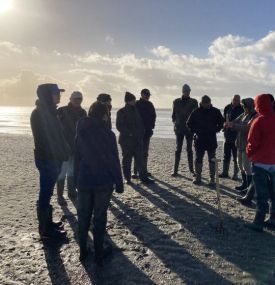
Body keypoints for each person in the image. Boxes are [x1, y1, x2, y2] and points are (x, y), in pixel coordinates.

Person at [75, 101, 124, 264]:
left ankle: (83, 251)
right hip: (103, 181)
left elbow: (76, 157)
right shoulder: (108, 134)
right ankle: (98, 252)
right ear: (104, 115)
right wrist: (119, 182)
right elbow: (113, 160)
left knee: (83, 217)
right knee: (99, 218)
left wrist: (76, 179)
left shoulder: (80, 130)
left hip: (84, 180)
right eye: (107, 114)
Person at [30, 83, 70, 241]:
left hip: (54, 159)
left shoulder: (51, 112)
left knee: (47, 192)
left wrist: (64, 151)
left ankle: (47, 224)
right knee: (45, 193)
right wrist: (58, 154)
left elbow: (58, 136)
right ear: (47, 95)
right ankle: (45, 230)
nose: (59, 96)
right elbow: (45, 140)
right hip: (48, 160)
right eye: (55, 93)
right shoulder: (39, 113)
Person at [245, 94, 275, 232]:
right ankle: (273, 219)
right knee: (273, 193)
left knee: (262, 194)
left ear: (258, 105)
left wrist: (250, 153)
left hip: (261, 162)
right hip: (273, 162)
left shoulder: (259, 121)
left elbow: (252, 142)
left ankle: (258, 223)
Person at [116, 92, 154, 184]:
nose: (134, 101)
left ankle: (143, 177)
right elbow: (119, 126)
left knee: (140, 159)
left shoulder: (136, 110)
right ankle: (127, 178)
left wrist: (142, 132)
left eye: (134, 100)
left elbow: (140, 123)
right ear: (128, 101)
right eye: (132, 100)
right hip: (126, 141)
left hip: (138, 140)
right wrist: (130, 134)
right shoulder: (121, 111)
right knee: (127, 160)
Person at [187, 95, 224, 186]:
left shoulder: (215, 111)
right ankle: (198, 177)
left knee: (212, 159)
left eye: (209, 103)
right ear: (202, 103)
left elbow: (221, 122)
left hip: (211, 139)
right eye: (206, 103)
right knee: (198, 158)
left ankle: (212, 178)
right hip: (199, 139)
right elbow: (189, 123)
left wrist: (216, 129)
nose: (208, 105)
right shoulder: (196, 111)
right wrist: (195, 131)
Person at [56, 91, 87, 202]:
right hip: (63, 147)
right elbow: (56, 128)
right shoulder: (61, 110)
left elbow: (85, 130)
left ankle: (72, 192)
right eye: (76, 98)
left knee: (72, 171)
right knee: (62, 172)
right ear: (70, 99)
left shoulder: (83, 112)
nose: (78, 100)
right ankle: (60, 195)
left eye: (80, 98)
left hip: (77, 146)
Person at [225, 99, 257, 192]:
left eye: (245, 106)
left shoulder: (254, 116)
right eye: (243, 106)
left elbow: (247, 128)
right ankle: (244, 183)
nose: (243, 108)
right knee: (240, 165)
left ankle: (249, 187)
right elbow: (235, 121)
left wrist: (233, 126)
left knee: (247, 166)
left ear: (250, 106)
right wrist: (229, 123)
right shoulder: (244, 114)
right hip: (239, 144)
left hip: (247, 145)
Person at [171, 84, 198, 177]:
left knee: (189, 149)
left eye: (189, 91)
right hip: (179, 129)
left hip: (189, 130)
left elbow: (196, 116)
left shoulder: (194, 102)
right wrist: (175, 123)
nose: (187, 93)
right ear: (183, 91)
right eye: (186, 91)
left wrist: (194, 128)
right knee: (178, 149)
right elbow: (173, 115)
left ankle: (192, 170)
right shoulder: (176, 101)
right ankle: (175, 170)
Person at [132, 88, 156, 178]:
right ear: (142, 94)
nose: (148, 96)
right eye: (146, 95)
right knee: (137, 152)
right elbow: (133, 117)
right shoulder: (136, 104)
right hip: (138, 132)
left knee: (145, 153)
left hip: (147, 132)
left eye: (149, 95)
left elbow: (154, 116)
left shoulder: (150, 104)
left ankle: (144, 170)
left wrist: (152, 126)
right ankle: (135, 171)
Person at [219, 95, 244, 180]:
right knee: (226, 155)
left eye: (237, 100)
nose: (235, 101)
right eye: (234, 99)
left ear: (239, 101)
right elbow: (223, 119)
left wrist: (234, 125)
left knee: (236, 156)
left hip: (237, 136)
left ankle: (235, 175)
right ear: (232, 99)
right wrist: (224, 125)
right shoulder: (227, 107)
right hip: (227, 135)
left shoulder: (242, 109)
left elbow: (243, 122)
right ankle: (225, 173)